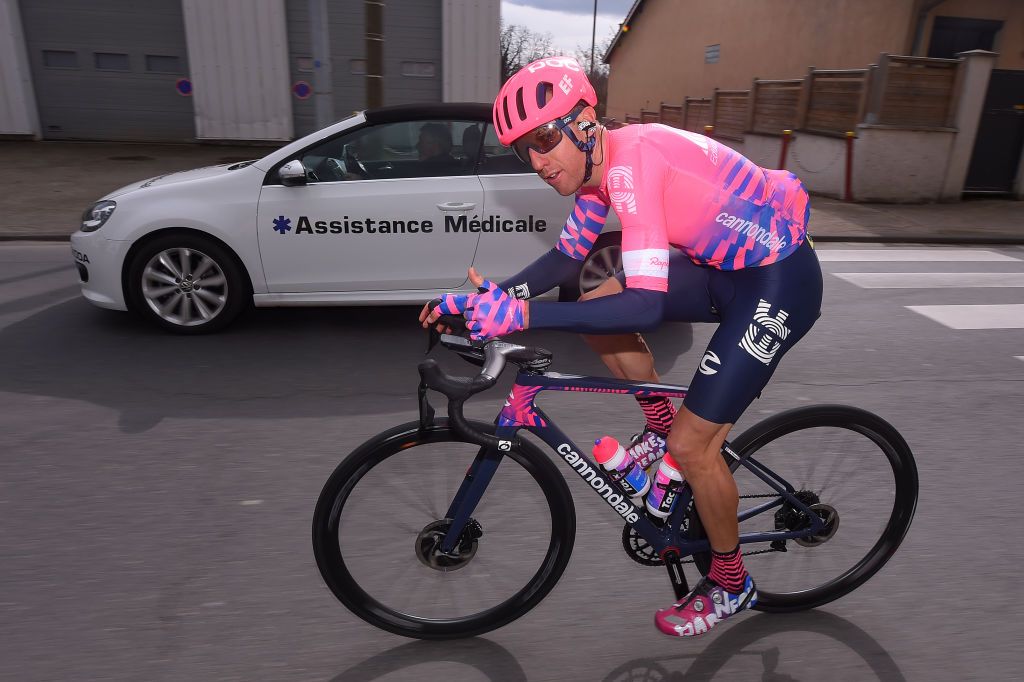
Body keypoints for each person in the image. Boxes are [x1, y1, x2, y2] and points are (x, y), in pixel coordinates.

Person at [419, 56, 822, 638]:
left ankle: (733, 583)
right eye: (522, 150)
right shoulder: (595, 173)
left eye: (543, 139)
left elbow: (647, 307)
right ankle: (657, 427)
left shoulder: (631, 165)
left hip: (780, 281)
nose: (537, 161)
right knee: (595, 302)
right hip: (726, 269)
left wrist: (523, 314)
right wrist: (480, 300)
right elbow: (564, 259)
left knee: (694, 447)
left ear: (585, 122)